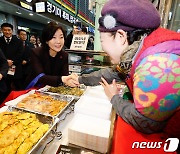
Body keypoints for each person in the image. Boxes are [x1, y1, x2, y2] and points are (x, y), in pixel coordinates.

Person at [67, 0, 180, 136]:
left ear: (121, 36)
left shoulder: (157, 64)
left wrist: (114, 98)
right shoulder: (136, 51)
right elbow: (112, 73)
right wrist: (80, 79)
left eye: (102, 41)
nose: (103, 47)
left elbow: (144, 122)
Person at [24, 21, 75, 89]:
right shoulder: (36, 52)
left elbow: (64, 75)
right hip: (35, 88)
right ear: (46, 40)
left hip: (53, 89)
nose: (58, 41)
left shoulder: (64, 55)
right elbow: (40, 77)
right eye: (54, 37)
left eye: (61, 37)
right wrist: (62, 79)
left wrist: (70, 80)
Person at [0, 23, 24, 94]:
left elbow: (20, 54)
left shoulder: (19, 41)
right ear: (1, 30)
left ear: (12, 31)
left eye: (9, 30)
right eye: (5, 30)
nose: (7, 32)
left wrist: (12, 61)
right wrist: (6, 61)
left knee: (18, 87)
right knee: (5, 89)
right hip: (3, 69)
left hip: (16, 67)